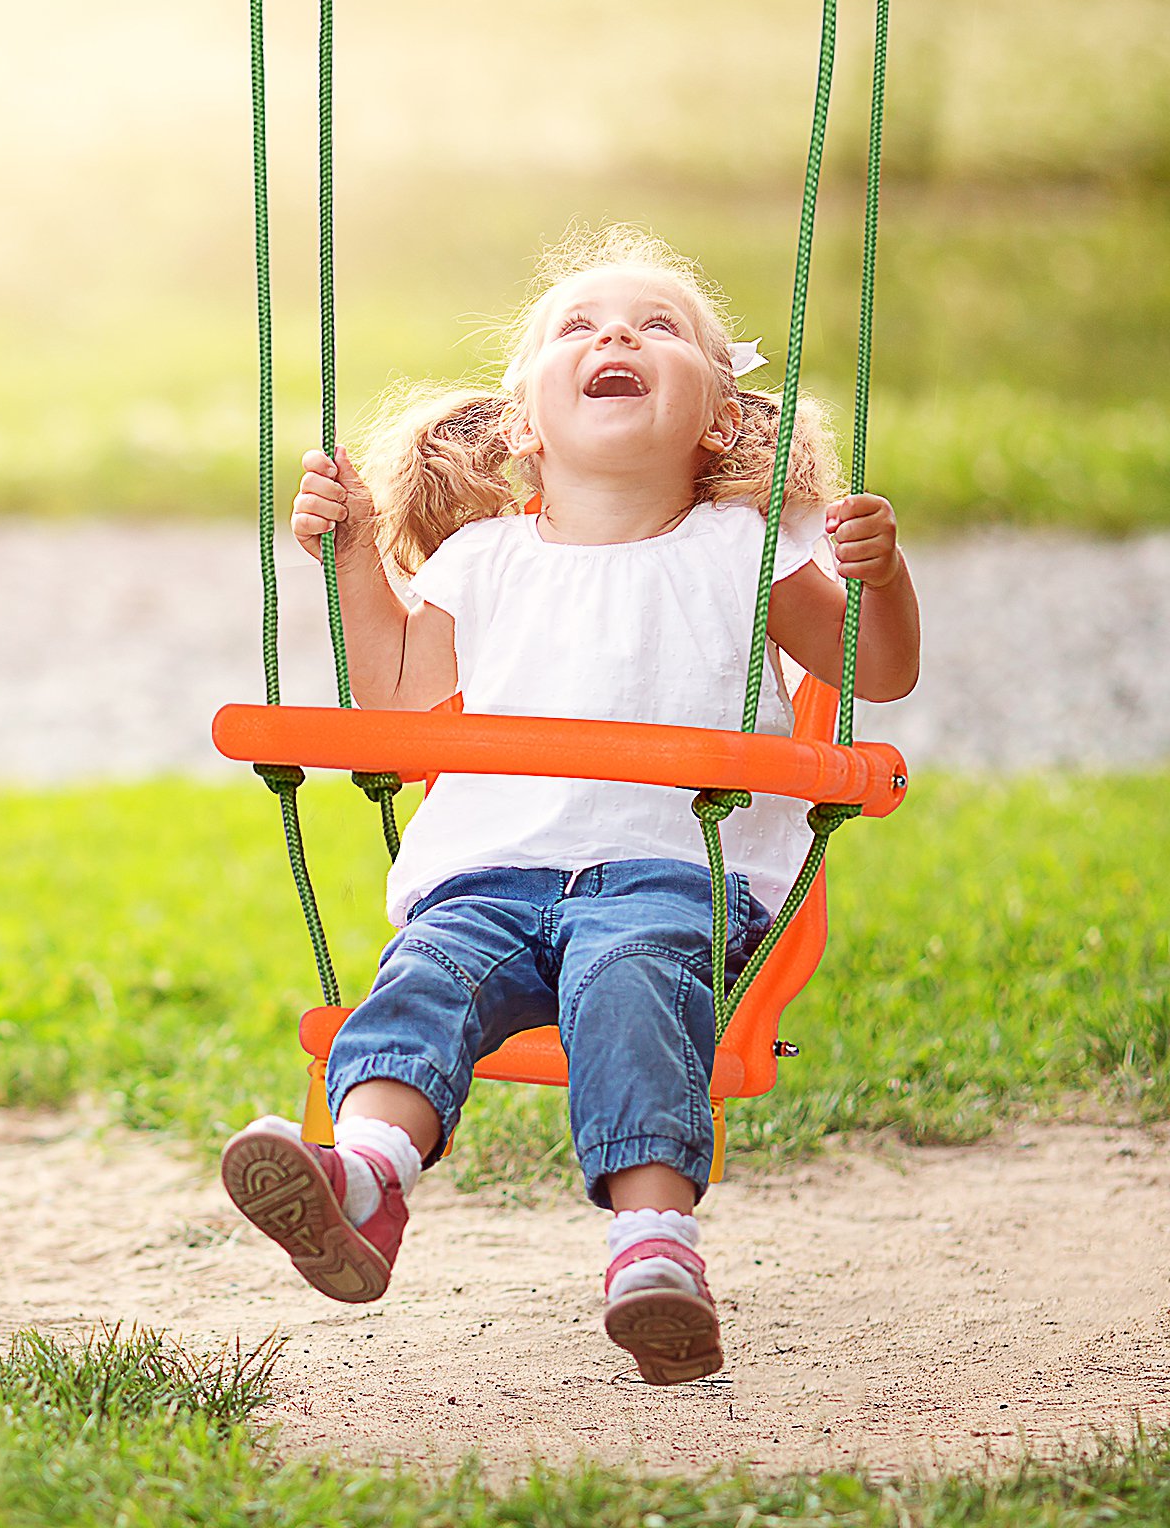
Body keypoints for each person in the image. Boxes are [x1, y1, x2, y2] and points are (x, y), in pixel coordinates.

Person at [221, 226, 920, 1385]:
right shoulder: (481, 562)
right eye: (579, 326)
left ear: (720, 418)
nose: (615, 336)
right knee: (419, 982)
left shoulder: (743, 552)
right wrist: (351, 554)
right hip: (484, 878)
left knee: (629, 983)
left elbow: (876, 671)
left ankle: (654, 1249)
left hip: (668, 879)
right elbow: (395, 697)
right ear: (524, 424)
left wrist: (878, 576)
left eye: (658, 328)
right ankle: (363, 1176)